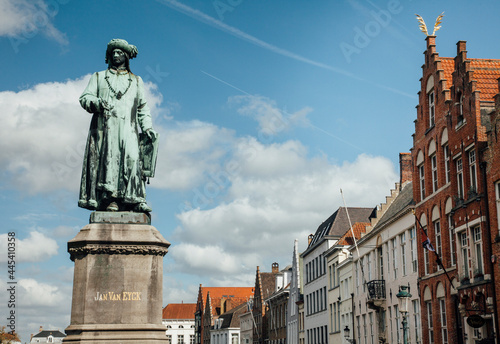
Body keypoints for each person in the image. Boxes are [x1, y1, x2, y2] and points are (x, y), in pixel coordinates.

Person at [78, 38, 158, 212]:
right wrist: (97, 102)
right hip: (105, 128)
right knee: (109, 162)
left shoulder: (136, 81)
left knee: (132, 159)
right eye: (113, 52)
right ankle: (111, 199)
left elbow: (142, 108)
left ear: (126, 56)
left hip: (129, 129)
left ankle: (135, 198)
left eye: (120, 52)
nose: (115, 55)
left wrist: (147, 127)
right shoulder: (98, 77)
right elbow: (85, 98)